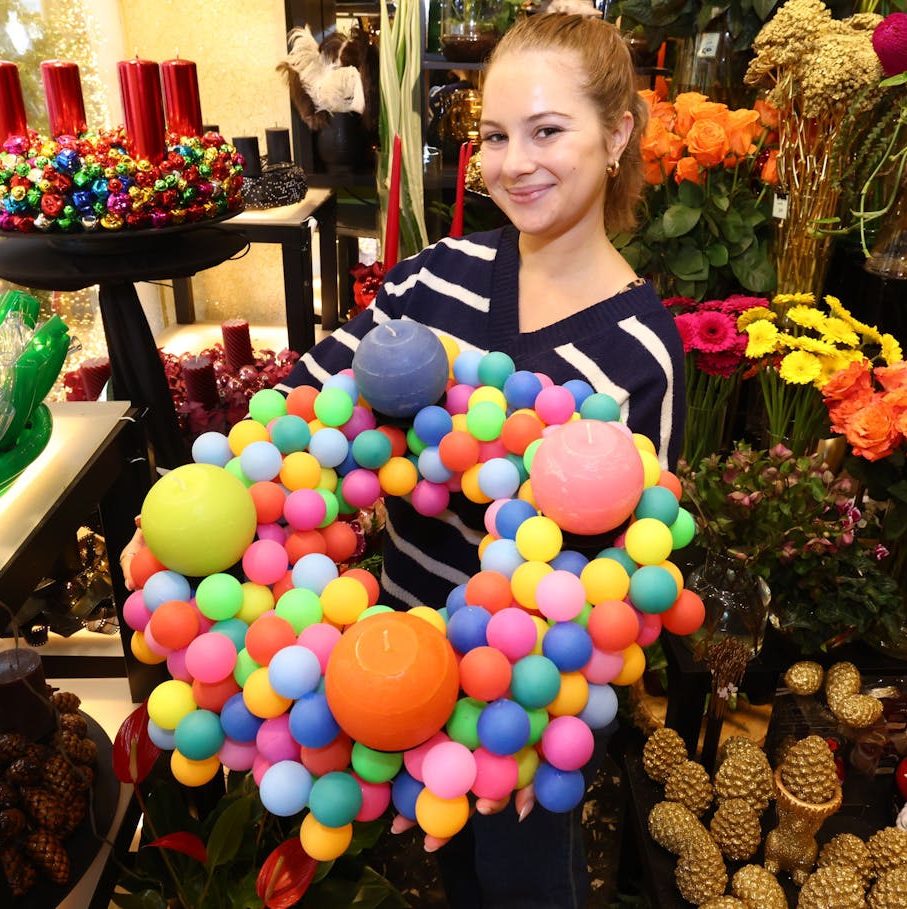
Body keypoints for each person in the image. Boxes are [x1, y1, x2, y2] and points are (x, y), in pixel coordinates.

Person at [278, 13, 685, 907]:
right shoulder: (435, 278)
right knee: (448, 872)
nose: (514, 162)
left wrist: (522, 704)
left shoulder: (636, 351)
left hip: (523, 708)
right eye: (496, 135)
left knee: (526, 882)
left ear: (617, 135)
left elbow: (627, 571)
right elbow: (300, 405)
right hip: (391, 668)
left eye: (548, 130)